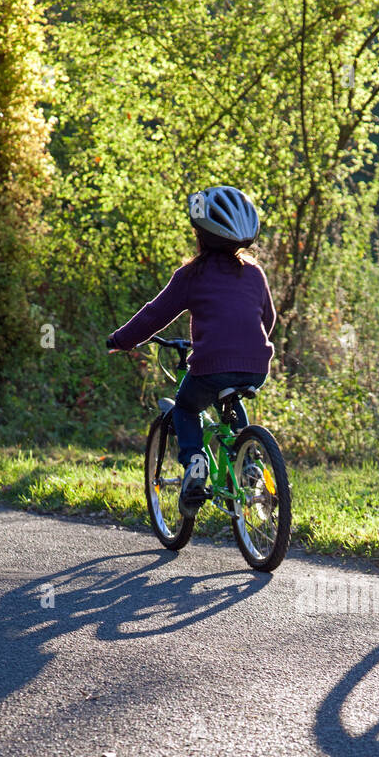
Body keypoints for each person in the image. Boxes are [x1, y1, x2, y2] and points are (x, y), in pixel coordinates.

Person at [107, 186, 276, 516]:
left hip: (210, 366)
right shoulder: (255, 273)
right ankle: (248, 462)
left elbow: (154, 315)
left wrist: (121, 340)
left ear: (199, 235)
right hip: (257, 365)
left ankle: (194, 462)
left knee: (185, 407)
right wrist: (248, 346)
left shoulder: (191, 275)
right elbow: (267, 319)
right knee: (231, 396)